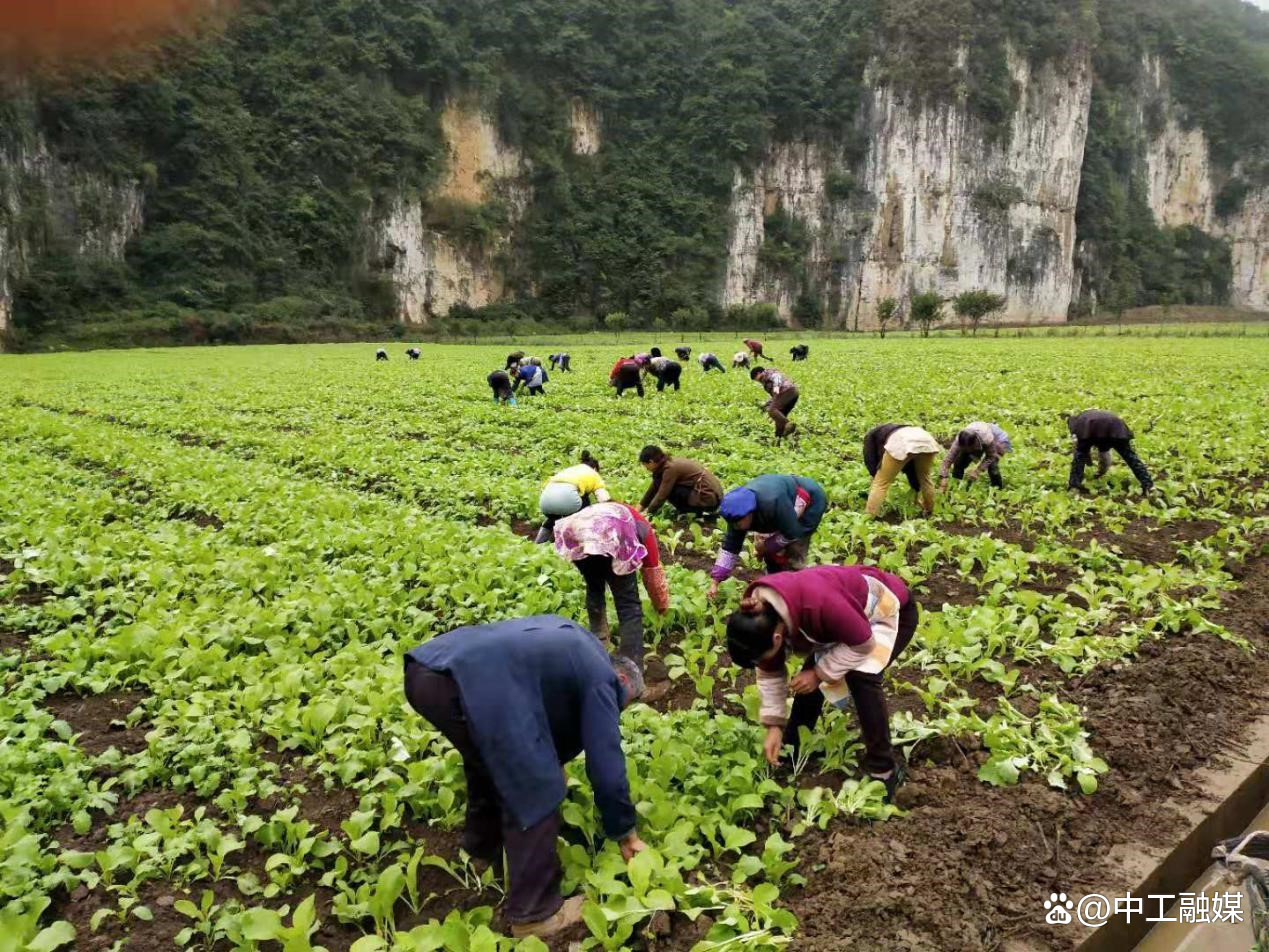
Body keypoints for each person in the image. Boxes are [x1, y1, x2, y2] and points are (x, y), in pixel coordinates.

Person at [404, 617, 646, 938]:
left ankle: (484, 852)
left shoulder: (576, 645)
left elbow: (542, 704)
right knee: (536, 786)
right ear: (621, 678)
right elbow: (606, 766)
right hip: (469, 682)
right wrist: (625, 833)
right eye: (623, 704)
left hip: (428, 671)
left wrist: (551, 758)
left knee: (492, 765)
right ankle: (535, 915)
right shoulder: (604, 678)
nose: (617, 710)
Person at [725, 563, 919, 802]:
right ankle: (791, 750)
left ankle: (884, 769)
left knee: (861, 676)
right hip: (848, 622)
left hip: (886, 611)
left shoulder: (819, 604)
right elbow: (770, 672)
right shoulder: (762, 618)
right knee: (808, 677)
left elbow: (863, 644)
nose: (766, 661)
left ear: (777, 638)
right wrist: (773, 726)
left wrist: (819, 674)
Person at [553, 501, 669, 668]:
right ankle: (631, 669)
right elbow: (653, 572)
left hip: (576, 533)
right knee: (628, 606)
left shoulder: (606, 508)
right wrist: (661, 605)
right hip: (611, 535)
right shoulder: (644, 527)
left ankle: (598, 640)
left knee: (594, 586)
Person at [707, 474, 827, 598]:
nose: (737, 526)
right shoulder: (737, 515)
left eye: (739, 522)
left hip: (809, 500)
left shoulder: (772, 504)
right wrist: (715, 581)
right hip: (779, 505)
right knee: (770, 551)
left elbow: (792, 533)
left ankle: (795, 589)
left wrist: (765, 546)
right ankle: (772, 584)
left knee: (794, 549)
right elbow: (730, 547)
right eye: (733, 523)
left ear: (751, 512)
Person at [863, 424, 941, 517]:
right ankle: (929, 511)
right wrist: (915, 487)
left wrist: (875, 475)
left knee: (881, 483)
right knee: (925, 478)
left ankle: (869, 517)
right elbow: (911, 467)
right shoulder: (895, 429)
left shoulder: (870, 437)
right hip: (927, 440)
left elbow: (870, 458)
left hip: (902, 442)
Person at [1066, 410, 1153, 493]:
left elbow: (1082, 451)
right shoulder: (1084, 418)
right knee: (1130, 457)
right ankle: (1149, 486)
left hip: (1094, 427)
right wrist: (1101, 472)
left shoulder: (1076, 425)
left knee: (1079, 456)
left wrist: (1090, 464)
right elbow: (1104, 454)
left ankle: (1074, 487)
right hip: (1117, 427)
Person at [535, 451, 609, 543]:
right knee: (585, 510)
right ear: (594, 468)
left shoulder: (570, 470)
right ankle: (578, 543)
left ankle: (539, 542)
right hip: (568, 499)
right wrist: (610, 507)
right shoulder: (593, 474)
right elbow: (603, 497)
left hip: (545, 502)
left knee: (553, 518)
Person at [636, 445, 724, 517]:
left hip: (709, 499)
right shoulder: (665, 464)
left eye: (645, 464)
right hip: (709, 496)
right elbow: (653, 488)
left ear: (651, 462)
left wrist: (647, 513)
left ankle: (692, 512)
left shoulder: (670, 468)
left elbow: (661, 496)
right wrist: (638, 509)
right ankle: (690, 510)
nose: (646, 468)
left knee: (669, 490)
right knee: (661, 484)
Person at [940, 422, 1012, 491]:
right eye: (965, 448)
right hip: (980, 433)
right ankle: (956, 483)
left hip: (997, 439)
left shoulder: (986, 439)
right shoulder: (959, 441)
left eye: (970, 448)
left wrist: (978, 471)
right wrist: (944, 478)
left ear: (975, 444)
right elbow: (948, 459)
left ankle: (997, 489)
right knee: (959, 461)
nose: (968, 450)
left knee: (992, 467)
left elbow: (990, 456)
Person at [750, 367, 799, 442]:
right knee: (778, 420)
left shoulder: (768, 373)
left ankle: (789, 425)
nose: (757, 381)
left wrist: (776, 386)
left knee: (772, 410)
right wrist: (766, 404)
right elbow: (775, 398)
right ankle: (778, 439)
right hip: (791, 393)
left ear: (758, 373)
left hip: (787, 391)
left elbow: (777, 377)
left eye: (756, 379)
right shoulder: (765, 382)